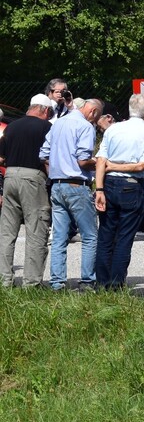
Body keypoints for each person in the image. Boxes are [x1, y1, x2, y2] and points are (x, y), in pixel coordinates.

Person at [94, 94, 144, 289]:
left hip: (108, 184)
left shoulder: (114, 129)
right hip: (131, 187)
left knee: (106, 234)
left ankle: (101, 282)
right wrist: (116, 167)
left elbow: (101, 160)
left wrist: (99, 187)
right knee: (124, 237)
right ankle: (116, 283)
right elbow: (141, 166)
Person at [43, 98, 104, 290]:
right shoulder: (85, 127)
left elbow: (43, 153)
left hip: (56, 185)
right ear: (93, 112)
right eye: (97, 118)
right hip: (77, 185)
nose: (95, 122)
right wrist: (101, 163)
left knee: (59, 237)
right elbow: (83, 160)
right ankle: (87, 281)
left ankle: (57, 282)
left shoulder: (58, 123)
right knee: (90, 236)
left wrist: (55, 169)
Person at [0, 95, 55, 286]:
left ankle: (4, 279)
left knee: (7, 231)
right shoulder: (46, 127)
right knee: (36, 229)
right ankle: (31, 282)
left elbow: (1, 158)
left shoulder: (11, 126)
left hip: (10, 177)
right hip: (33, 177)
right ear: (46, 110)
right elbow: (50, 158)